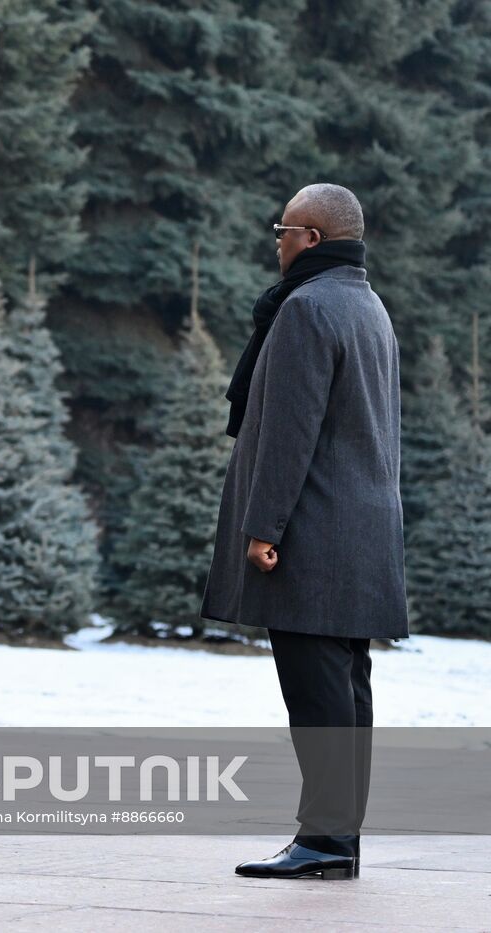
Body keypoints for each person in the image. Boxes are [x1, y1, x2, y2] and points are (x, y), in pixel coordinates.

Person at [201, 183, 406, 879]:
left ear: (311, 238)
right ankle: (337, 838)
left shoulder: (307, 308)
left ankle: (323, 840)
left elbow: (290, 432)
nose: (278, 242)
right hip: (361, 527)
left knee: (318, 695)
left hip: (311, 530)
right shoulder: (368, 305)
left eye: (283, 230)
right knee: (346, 692)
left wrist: (264, 527)